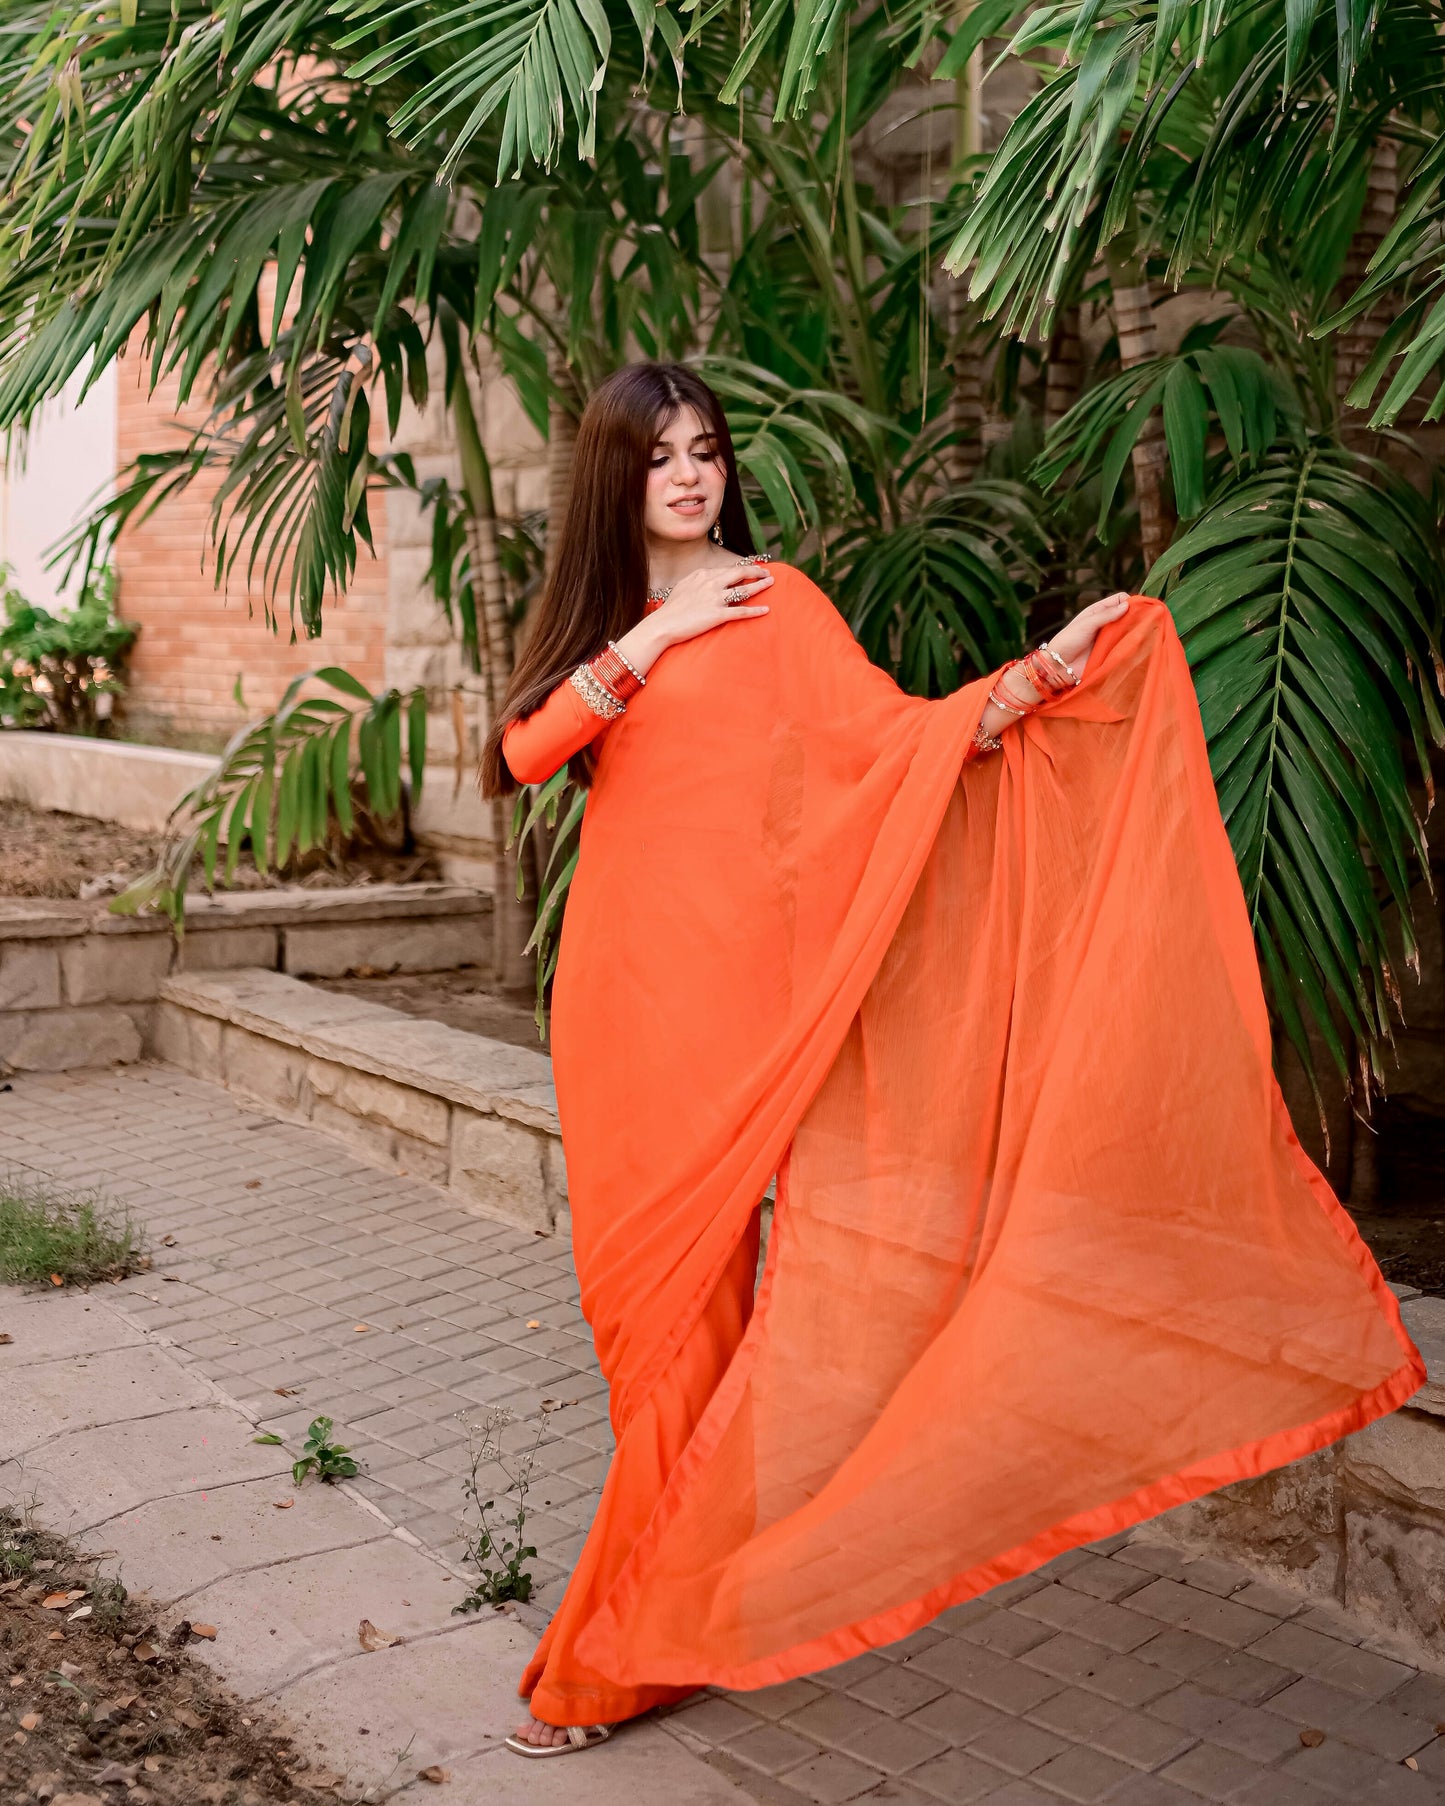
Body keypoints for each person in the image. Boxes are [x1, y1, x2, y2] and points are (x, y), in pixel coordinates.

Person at [479, 361, 1422, 1758]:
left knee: (712, 1320)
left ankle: (613, 1657)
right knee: (657, 1333)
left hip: (755, 1009)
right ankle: (682, 1613)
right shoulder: (621, 617)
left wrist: (1045, 671)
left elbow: (896, 747)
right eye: (661, 457)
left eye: (707, 450)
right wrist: (654, 637)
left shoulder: (780, 603)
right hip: (627, 1008)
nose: (690, 477)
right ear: (617, 479)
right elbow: (521, 753)